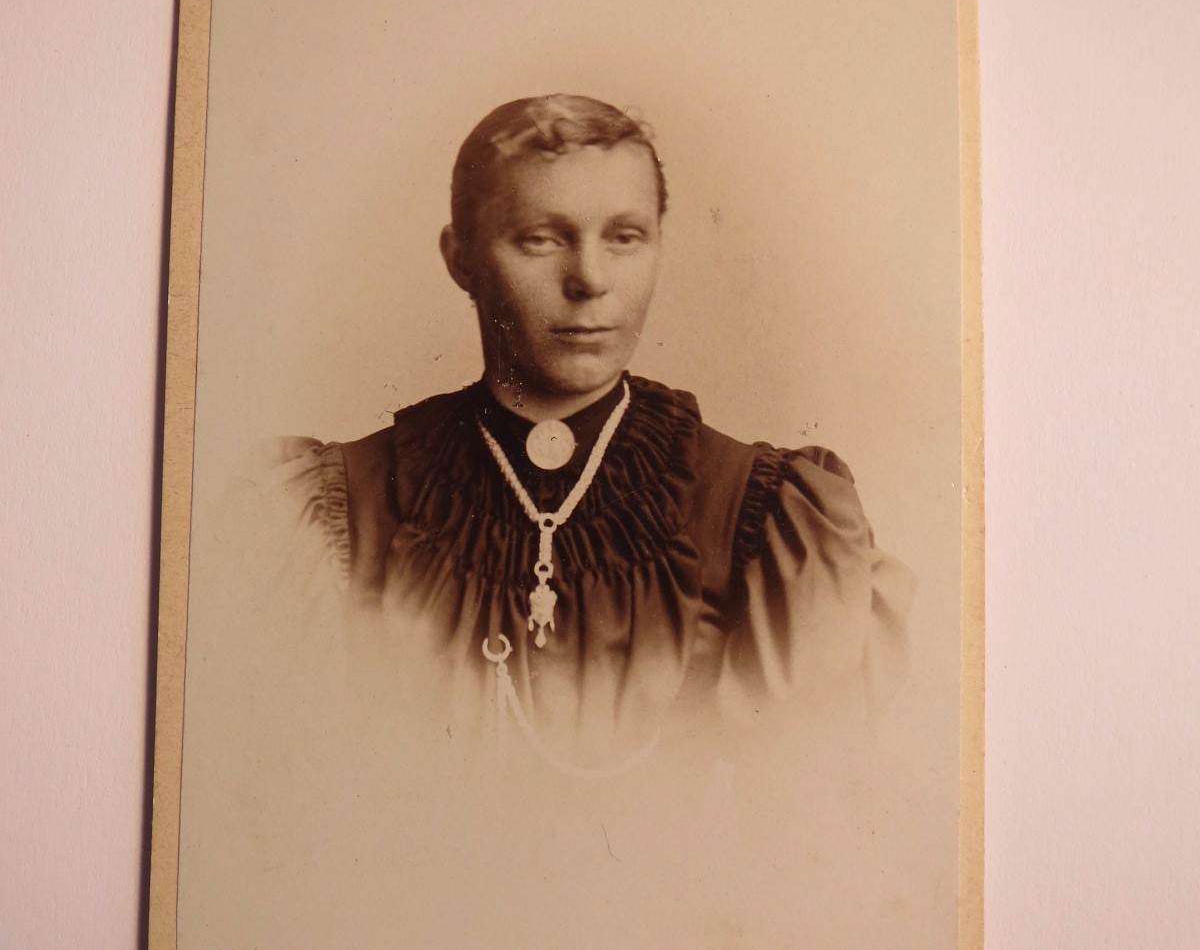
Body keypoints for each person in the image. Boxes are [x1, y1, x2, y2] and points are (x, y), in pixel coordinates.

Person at [269, 95, 911, 770]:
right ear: (460, 259)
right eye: (542, 239)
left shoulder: (770, 519)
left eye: (624, 237)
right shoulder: (337, 510)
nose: (590, 280)